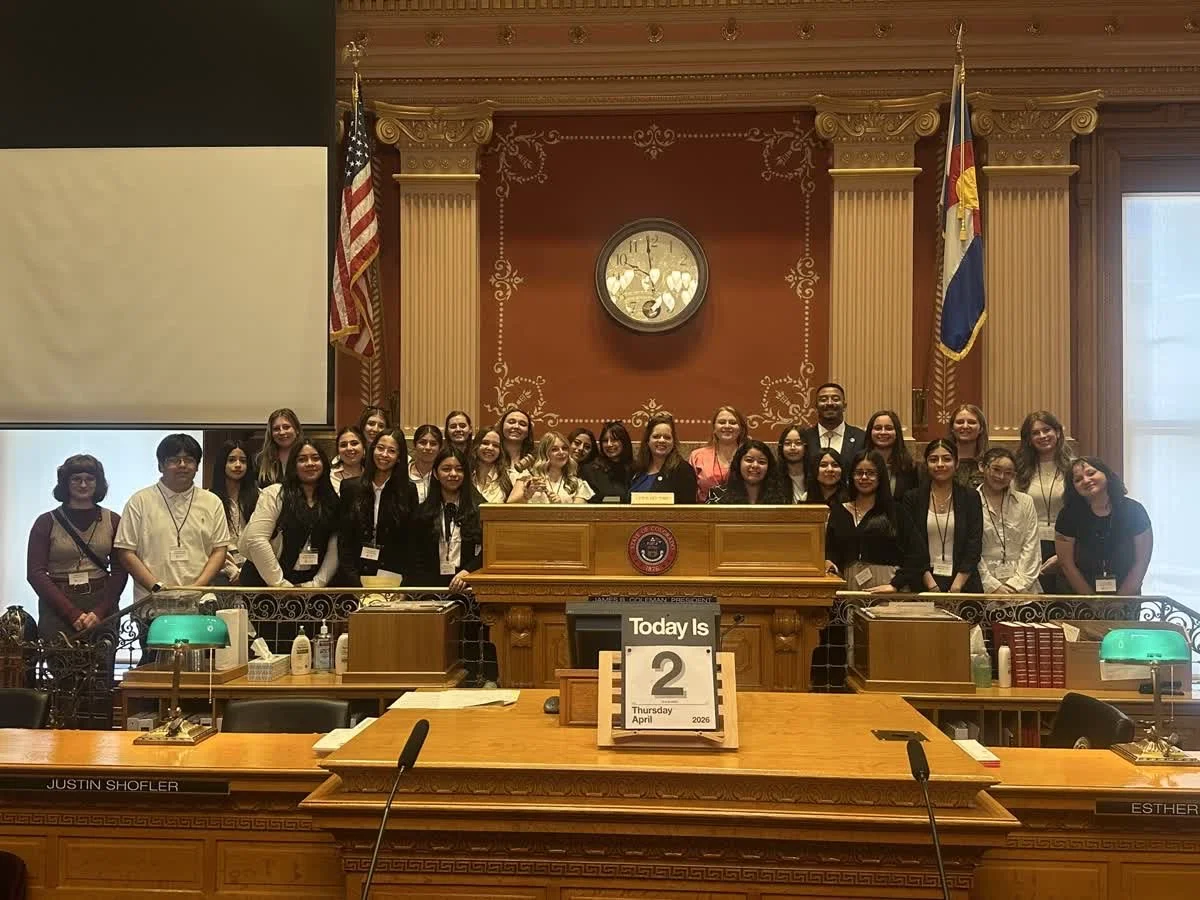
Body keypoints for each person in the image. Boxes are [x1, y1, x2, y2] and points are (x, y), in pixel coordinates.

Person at [114, 435, 232, 645]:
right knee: (154, 668)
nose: (182, 465)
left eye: (189, 460)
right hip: (153, 605)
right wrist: (157, 588)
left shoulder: (212, 502)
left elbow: (219, 550)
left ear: (197, 466)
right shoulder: (140, 501)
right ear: (160, 465)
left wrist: (197, 588)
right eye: (174, 460)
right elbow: (125, 551)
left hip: (200, 603)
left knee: (200, 669)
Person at [27, 454, 129, 642]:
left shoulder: (113, 521)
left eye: (90, 479)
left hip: (102, 605)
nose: (83, 484)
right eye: (76, 479)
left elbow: (120, 570)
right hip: (57, 605)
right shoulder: (46, 522)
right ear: (65, 483)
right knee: (62, 669)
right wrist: (71, 613)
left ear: (98, 483)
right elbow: (35, 573)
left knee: (100, 670)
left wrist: (100, 611)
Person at [239, 440, 340, 589]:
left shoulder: (331, 499)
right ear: (293, 465)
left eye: (315, 458)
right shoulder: (275, 494)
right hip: (265, 581)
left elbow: (335, 545)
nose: (310, 463)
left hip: (309, 586)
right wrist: (281, 585)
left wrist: (317, 584)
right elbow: (257, 540)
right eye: (302, 459)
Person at [823, 450, 923, 593]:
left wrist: (895, 585)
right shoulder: (839, 512)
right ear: (851, 476)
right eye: (859, 473)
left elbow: (917, 554)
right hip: (849, 588)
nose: (864, 477)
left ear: (880, 476)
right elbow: (831, 550)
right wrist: (829, 561)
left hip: (887, 588)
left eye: (871, 473)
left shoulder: (895, 511)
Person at [1055, 457, 1152, 596]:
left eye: (1091, 473)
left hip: (1127, 595)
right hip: (1079, 598)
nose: (1086, 480)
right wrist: (1093, 602)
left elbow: (1141, 562)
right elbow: (1067, 565)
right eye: (1078, 479)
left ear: (1106, 474)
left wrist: (1120, 602)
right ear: (1074, 488)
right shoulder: (1067, 516)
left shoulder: (1134, 510)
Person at [338, 429, 419, 585]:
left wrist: (404, 584)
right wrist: (354, 582)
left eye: (391, 451)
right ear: (372, 449)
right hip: (355, 575)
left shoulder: (407, 491)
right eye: (380, 448)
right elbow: (344, 540)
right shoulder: (350, 488)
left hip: (392, 576)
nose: (384, 454)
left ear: (399, 458)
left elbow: (411, 542)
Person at [902, 439, 983, 593]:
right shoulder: (912, 498)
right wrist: (931, 585)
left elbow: (974, 544)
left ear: (957, 463)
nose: (940, 464)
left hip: (963, 582)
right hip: (922, 581)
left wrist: (957, 586)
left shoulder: (971, 497)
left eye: (947, 459)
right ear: (926, 464)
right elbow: (910, 546)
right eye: (933, 459)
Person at [1014, 410, 1074, 590]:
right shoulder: (1018, 470)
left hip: (1066, 545)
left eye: (1046, 430)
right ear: (1029, 439)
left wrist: (1063, 556)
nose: (1042, 436)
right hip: (1028, 547)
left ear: (1057, 432)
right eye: (1035, 433)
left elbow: (1081, 513)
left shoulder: (1074, 468)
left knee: (1063, 606)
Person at [411, 447, 483, 590]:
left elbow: (488, 550)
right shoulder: (423, 512)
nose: (453, 474)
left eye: (459, 469)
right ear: (436, 474)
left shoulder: (479, 510)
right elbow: (415, 556)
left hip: (468, 587)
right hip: (431, 589)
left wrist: (468, 571)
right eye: (446, 469)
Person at [976, 447, 1041, 594]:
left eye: (1008, 473)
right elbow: (970, 551)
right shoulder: (969, 501)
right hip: (982, 588)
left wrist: (1015, 585)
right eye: (996, 469)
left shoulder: (1025, 502)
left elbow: (1032, 546)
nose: (1001, 476)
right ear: (982, 467)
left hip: (1024, 588)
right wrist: (993, 587)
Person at [210, 440, 259, 584]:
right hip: (220, 572)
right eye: (231, 460)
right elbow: (208, 543)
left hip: (254, 570)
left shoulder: (260, 497)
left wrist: (246, 572)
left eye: (243, 461)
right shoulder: (209, 498)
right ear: (222, 464)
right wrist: (233, 571)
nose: (238, 465)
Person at [508, 432, 595, 503]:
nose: (561, 453)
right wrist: (527, 495)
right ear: (545, 454)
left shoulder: (576, 484)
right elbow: (509, 507)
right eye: (554, 449)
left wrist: (562, 503)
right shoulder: (527, 479)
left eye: (564, 448)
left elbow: (581, 514)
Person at [630, 413, 698, 504]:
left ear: (673, 442)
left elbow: (688, 511)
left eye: (667, 437)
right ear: (647, 441)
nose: (662, 440)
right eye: (656, 436)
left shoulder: (683, 471)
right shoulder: (637, 469)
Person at [801, 383, 866, 476]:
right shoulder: (804, 438)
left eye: (835, 399)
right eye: (823, 400)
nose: (829, 403)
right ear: (816, 407)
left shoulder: (861, 438)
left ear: (844, 405)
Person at [689, 406, 748, 502]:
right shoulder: (697, 456)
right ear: (714, 428)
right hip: (704, 513)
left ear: (741, 428)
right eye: (722, 422)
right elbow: (690, 493)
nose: (727, 426)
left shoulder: (750, 456)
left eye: (733, 423)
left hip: (742, 512)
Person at [863, 410, 919, 501]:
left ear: (897, 433)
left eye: (888, 428)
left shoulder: (909, 467)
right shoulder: (860, 463)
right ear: (870, 432)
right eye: (878, 428)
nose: (883, 432)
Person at [718, 440, 790, 504]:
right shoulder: (718, 495)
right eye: (749, 460)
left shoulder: (782, 497)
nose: (755, 465)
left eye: (761, 462)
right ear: (738, 463)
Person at [583, 420, 634, 503]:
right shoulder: (589, 471)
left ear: (624, 442)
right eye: (605, 441)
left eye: (614, 440)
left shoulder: (636, 470)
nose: (609, 444)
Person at [256, 407, 302, 488]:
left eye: (286, 427)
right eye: (276, 429)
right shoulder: (261, 460)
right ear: (271, 433)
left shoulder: (308, 457)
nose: (282, 432)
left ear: (297, 430)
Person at [948, 403, 988, 489]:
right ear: (952, 428)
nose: (965, 426)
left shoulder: (988, 464)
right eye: (959, 422)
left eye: (972, 422)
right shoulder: (942, 463)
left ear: (981, 428)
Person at [470, 427, 511, 503]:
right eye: (485, 443)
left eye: (495, 445)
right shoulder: (465, 474)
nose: (490, 448)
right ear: (476, 445)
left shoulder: (508, 477)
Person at [498, 406, 536, 480]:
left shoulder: (535, 460)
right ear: (502, 426)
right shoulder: (492, 456)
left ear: (528, 432)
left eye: (522, 424)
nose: (516, 426)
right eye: (511, 422)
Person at [329, 425, 367, 495]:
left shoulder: (372, 476)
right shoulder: (329, 478)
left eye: (354, 443)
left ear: (363, 447)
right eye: (343, 445)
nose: (349, 448)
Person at [410, 424, 443, 502]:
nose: (428, 447)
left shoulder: (443, 476)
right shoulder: (403, 474)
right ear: (414, 445)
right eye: (423, 442)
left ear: (440, 448)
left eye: (433, 444)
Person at [775, 423, 808, 503]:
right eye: (787, 443)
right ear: (781, 447)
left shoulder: (815, 476)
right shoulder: (774, 476)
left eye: (798, 443)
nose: (792, 447)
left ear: (806, 447)